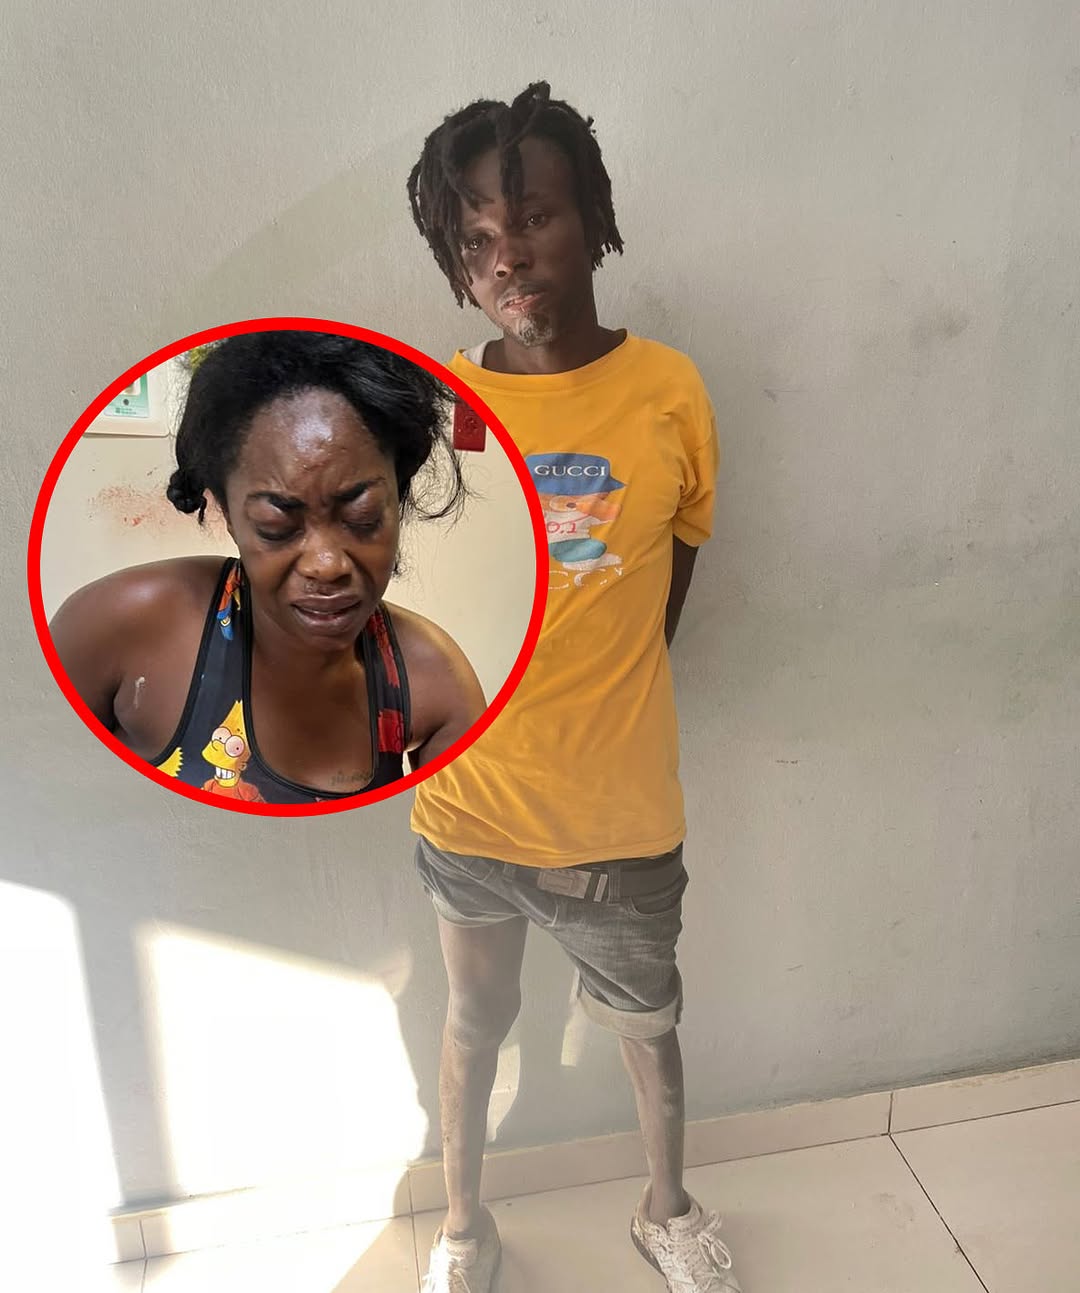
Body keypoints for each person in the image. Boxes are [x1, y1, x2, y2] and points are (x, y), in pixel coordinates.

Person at [407, 84, 741, 1291]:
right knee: (471, 1021)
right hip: (468, 810)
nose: (507, 256)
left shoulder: (670, 391)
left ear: (593, 222)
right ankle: (462, 1226)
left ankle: (668, 1210)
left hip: (619, 817)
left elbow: (666, 591)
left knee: (648, 1027)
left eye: (533, 219)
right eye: (476, 238)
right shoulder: (431, 409)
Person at [50, 330, 486, 805]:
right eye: (276, 525)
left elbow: (458, 836)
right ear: (228, 514)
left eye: (362, 517)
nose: (326, 565)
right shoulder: (119, 626)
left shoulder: (433, 680)